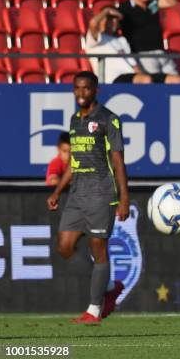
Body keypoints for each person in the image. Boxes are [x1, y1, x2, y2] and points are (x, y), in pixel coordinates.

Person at [47, 71, 130, 325]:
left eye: (86, 88)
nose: (81, 93)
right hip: (77, 193)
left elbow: (117, 160)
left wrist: (124, 198)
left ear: (95, 90)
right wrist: (58, 191)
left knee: (98, 249)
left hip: (100, 191)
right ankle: (107, 289)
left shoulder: (108, 120)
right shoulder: (74, 120)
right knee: (65, 247)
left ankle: (94, 310)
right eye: (77, 88)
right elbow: (74, 161)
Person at [86, 6, 180, 84]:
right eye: (110, 18)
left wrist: (148, 77)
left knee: (177, 80)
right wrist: (106, 11)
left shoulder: (121, 40)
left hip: (133, 76)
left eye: (116, 19)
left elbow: (134, 65)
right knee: (145, 80)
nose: (114, 22)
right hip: (112, 79)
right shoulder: (95, 39)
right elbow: (93, 23)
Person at [118, 0, 180, 78]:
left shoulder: (152, 5)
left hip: (161, 53)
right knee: (155, 86)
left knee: (178, 83)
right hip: (143, 55)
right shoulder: (125, 8)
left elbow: (172, 2)